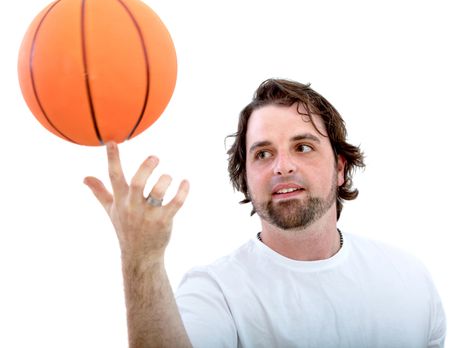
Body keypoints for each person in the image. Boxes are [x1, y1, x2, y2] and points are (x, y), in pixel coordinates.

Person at [84, 78, 446, 347]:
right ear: (245, 180)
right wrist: (142, 258)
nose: (282, 166)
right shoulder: (215, 291)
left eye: (303, 147)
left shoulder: (410, 279)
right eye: (263, 153)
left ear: (340, 168)